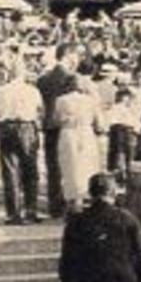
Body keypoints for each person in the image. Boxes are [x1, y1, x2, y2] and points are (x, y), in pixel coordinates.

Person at [0, 63, 44, 225]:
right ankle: (31, 210)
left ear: (9, 74)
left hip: (7, 127)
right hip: (27, 127)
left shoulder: (1, 91)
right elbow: (41, 110)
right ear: (24, 74)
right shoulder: (32, 90)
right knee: (30, 169)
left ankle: (13, 213)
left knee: (10, 170)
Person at [36, 46, 81, 217]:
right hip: (66, 127)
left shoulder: (43, 79)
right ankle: (70, 205)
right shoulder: (70, 78)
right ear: (68, 55)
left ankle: (55, 206)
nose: (77, 59)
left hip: (49, 127)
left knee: (52, 167)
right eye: (76, 55)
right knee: (70, 166)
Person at [55, 72, 106, 211]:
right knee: (87, 167)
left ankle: (73, 201)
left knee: (70, 168)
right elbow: (100, 124)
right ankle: (87, 198)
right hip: (86, 132)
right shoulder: (91, 101)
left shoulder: (61, 100)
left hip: (69, 132)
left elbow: (56, 120)